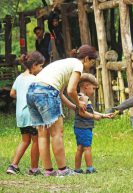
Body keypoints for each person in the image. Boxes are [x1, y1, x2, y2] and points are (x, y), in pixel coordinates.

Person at [26, 44, 98, 177]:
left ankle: (48, 171)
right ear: (87, 58)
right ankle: (63, 170)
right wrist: (79, 103)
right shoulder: (78, 65)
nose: (90, 66)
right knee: (57, 133)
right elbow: (71, 90)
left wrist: (73, 106)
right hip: (46, 92)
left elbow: (60, 93)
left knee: (43, 134)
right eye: (92, 63)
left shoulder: (66, 63)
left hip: (32, 91)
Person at [6, 51, 45, 175]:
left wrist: (22, 96)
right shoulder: (35, 79)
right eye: (40, 66)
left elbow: (12, 93)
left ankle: (13, 166)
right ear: (34, 65)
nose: (41, 69)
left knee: (25, 140)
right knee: (35, 140)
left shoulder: (19, 77)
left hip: (21, 115)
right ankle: (34, 169)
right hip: (31, 115)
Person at [73, 73, 114, 174]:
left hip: (80, 127)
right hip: (83, 127)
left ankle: (77, 169)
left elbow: (91, 111)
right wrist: (94, 117)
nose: (94, 91)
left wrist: (104, 115)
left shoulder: (81, 97)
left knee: (80, 148)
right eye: (93, 88)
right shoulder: (84, 98)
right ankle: (89, 168)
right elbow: (82, 113)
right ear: (86, 86)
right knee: (87, 148)